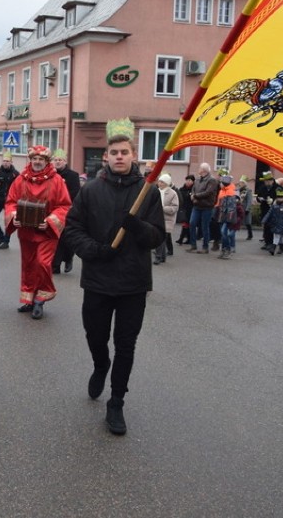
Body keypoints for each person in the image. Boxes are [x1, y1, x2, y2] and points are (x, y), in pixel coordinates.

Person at [63, 117, 165, 436]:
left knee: (126, 344)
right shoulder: (91, 190)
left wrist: (137, 226)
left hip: (133, 283)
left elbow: (157, 237)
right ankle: (99, 365)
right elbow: (72, 229)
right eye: (114, 152)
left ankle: (117, 400)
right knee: (96, 336)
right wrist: (94, 250)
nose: (119, 156)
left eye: (125, 152)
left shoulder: (148, 193)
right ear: (105, 156)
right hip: (97, 280)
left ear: (133, 155)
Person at [4, 145, 72, 320]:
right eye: (34, 159)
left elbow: (64, 206)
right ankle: (28, 299)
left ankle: (41, 299)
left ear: (46, 161)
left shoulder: (56, 180)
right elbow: (11, 201)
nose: (37, 162)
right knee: (28, 265)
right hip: (26, 232)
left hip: (46, 233)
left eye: (40, 159)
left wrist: (49, 221)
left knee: (42, 263)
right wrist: (13, 217)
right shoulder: (21, 179)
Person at [50, 149, 81, 274]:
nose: (57, 162)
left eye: (60, 160)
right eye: (56, 160)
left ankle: (68, 258)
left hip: (67, 211)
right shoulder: (50, 175)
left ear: (65, 161)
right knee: (54, 238)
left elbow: (75, 193)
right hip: (52, 211)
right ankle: (55, 265)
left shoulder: (73, 175)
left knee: (66, 239)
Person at [186, 163, 219, 254]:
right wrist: (193, 195)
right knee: (192, 223)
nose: (198, 169)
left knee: (205, 226)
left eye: (200, 167)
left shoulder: (212, 180)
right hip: (197, 205)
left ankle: (205, 247)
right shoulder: (197, 179)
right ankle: (193, 245)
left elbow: (208, 192)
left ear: (204, 170)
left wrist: (195, 196)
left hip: (207, 206)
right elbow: (193, 189)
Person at [0, 151, 20, 249]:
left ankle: (6, 241)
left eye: (7, 161)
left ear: (11, 162)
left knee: (8, 221)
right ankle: (1, 237)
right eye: (4, 161)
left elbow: (19, 187)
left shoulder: (15, 174)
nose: (5, 163)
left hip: (9, 201)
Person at [153, 173, 178, 265]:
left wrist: (162, 208)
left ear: (167, 183)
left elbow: (175, 208)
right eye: (159, 181)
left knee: (161, 238)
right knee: (160, 238)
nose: (159, 183)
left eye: (162, 182)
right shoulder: (156, 191)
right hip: (156, 218)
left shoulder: (173, 193)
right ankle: (162, 256)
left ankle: (158, 257)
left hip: (167, 219)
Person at [260, 187, 283, 255]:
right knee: (280, 236)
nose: (279, 199)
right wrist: (264, 220)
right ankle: (282, 247)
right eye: (278, 197)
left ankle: (273, 248)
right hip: (275, 223)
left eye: (281, 197)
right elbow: (269, 213)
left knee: (276, 235)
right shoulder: (274, 205)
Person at [215, 174, 238, 258]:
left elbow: (231, 207)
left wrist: (228, 218)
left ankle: (227, 249)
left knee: (223, 232)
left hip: (227, 217)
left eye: (221, 182)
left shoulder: (230, 192)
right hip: (222, 215)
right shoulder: (222, 191)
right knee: (223, 233)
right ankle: (224, 250)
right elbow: (219, 204)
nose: (219, 184)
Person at [256, 171, 278, 248]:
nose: (266, 182)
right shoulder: (263, 188)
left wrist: (273, 200)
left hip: (274, 210)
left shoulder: (277, 188)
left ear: (272, 181)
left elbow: (282, 198)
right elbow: (258, 196)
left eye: (268, 181)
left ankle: (272, 243)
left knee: (271, 226)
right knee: (265, 226)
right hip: (265, 209)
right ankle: (266, 242)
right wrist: (259, 199)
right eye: (265, 181)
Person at [175, 174, 195, 245]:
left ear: (193, 181)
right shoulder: (182, 189)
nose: (188, 182)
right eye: (187, 180)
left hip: (191, 209)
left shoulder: (194, 189)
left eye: (190, 180)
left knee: (188, 224)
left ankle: (183, 239)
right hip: (184, 209)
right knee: (185, 224)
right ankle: (185, 239)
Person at [237, 175, 254, 240]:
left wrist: (247, 209)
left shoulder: (248, 190)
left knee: (248, 223)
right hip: (239, 208)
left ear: (244, 183)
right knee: (237, 221)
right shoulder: (238, 190)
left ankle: (250, 234)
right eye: (240, 182)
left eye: (241, 182)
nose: (240, 183)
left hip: (245, 208)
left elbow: (249, 200)